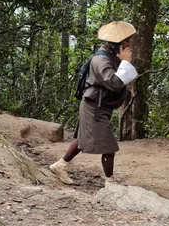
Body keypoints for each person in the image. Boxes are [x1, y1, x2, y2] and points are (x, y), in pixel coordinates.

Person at [49, 21, 139, 185]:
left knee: (83, 139)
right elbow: (114, 82)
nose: (130, 43)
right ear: (118, 43)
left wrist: (122, 61)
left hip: (97, 105)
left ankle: (59, 165)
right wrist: (125, 62)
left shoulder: (111, 57)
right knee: (109, 147)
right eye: (127, 40)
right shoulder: (100, 60)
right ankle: (110, 183)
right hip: (93, 107)